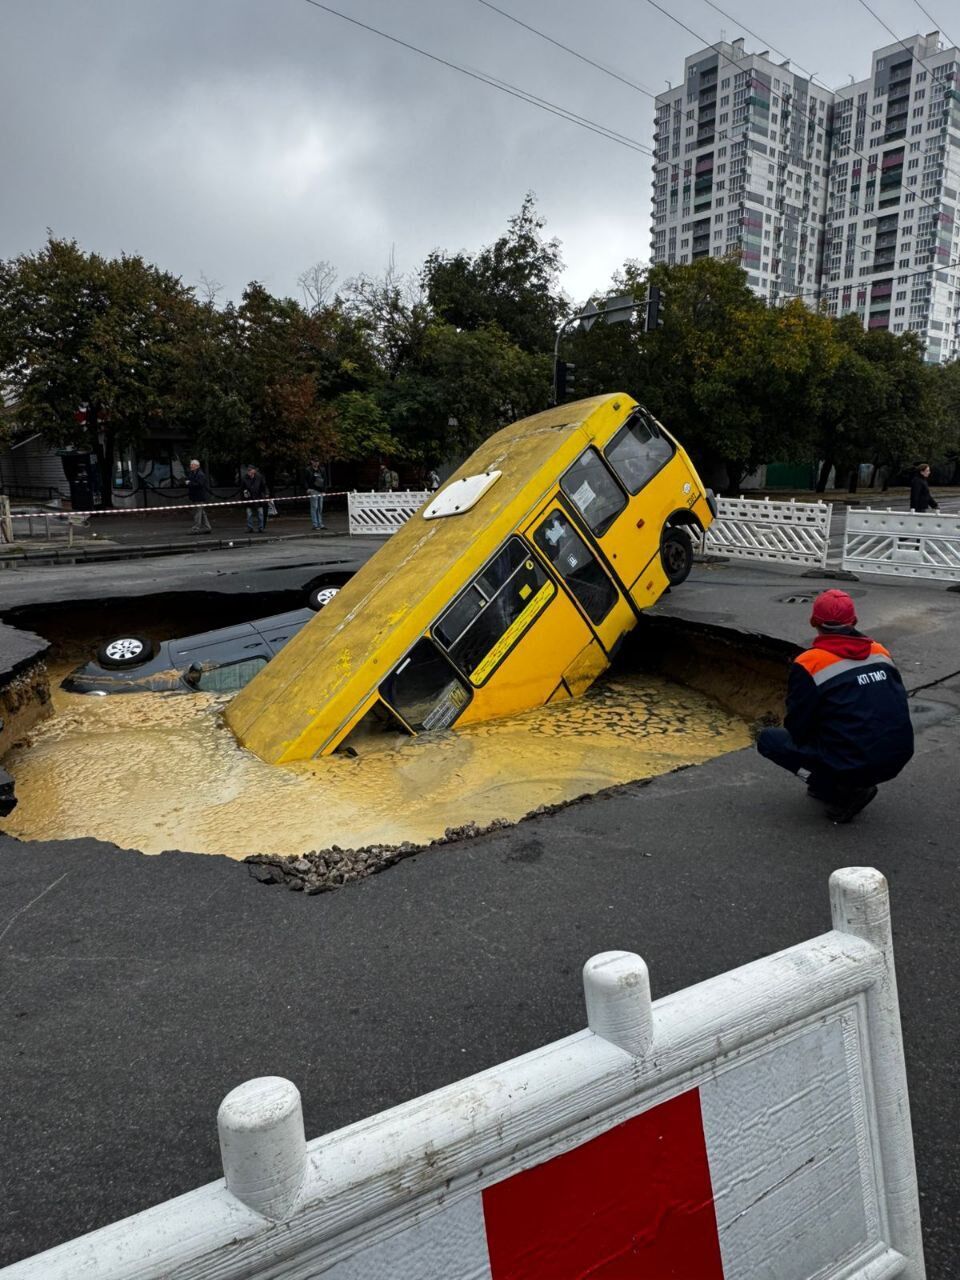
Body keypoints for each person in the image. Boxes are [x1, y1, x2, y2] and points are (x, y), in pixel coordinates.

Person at [756, 589, 914, 823]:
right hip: (897, 754)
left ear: (813, 622)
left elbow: (798, 725)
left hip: (855, 762)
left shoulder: (811, 663)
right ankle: (840, 779)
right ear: (855, 621)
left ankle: (838, 788)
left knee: (768, 740)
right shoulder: (880, 652)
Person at [186, 459, 212, 533]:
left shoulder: (200, 474)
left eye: (192, 465)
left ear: (196, 466)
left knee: (197, 512)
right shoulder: (193, 473)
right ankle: (207, 527)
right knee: (201, 512)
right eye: (191, 464)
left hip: (199, 497)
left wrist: (189, 483)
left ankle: (196, 528)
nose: (190, 466)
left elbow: (199, 484)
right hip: (195, 496)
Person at [242, 464, 268, 533]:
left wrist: (266, 494)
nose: (249, 472)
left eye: (250, 470)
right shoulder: (245, 478)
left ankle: (261, 528)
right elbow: (242, 488)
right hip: (249, 499)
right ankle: (250, 528)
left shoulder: (259, 477)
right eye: (248, 470)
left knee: (260, 513)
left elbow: (263, 486)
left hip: (258, 498)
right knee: (249, 514)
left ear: (254, 471)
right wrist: (244, 495)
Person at [303, 458, 327, 530]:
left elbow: (325, 480)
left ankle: (320, 523)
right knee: (314, 507)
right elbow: (305, 480)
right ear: (312, 462)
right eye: (315, 461)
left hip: (320, 490)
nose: (316, 463)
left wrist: (324, 490)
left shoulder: (322, 469)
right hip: (313, 490)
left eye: (317, 461)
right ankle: (315, 524)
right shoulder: (308, 470)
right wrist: (307, 488)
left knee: (320, 508)